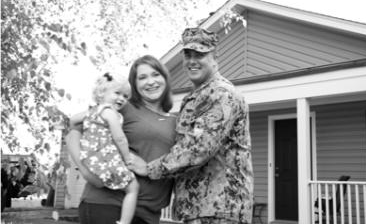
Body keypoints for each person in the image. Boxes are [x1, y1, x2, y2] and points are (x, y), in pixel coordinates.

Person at [132, 28, 254, 224]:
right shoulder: (196, 96)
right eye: (188, 54)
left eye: (200, 54)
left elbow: (198, 149)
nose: (192, 60)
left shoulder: (222, 94)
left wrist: (149, 169)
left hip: (220, 210)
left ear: (215, 56)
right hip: (196, 209)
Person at [65, 55, 176, 224]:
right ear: (135, 84)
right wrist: (86, 171)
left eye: (155, 74)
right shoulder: (123, 107)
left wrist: (148, 167)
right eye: (142, 77)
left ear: (165, 77)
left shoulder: (177, 121)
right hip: (107, 205)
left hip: (149, 214)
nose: (150, 82)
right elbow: (73, 133)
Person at [70, 72, 140, 224]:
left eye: (125, 96)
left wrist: (89, 115)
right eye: (117, 93)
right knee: (133, 188)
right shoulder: (110, 113)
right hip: (106, 160)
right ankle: (124, 222)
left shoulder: (93, 112)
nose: (121, 98)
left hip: (90, 160)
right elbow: (119, 138)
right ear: (102, 93)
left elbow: (73, 120)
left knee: (108, 184)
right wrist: (127, 158)